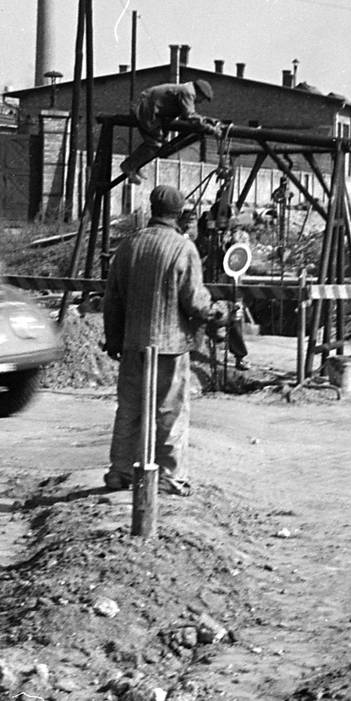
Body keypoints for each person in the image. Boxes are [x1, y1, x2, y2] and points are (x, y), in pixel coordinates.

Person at [102, 184, 226, 495]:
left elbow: (112, 300)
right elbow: (195, 302)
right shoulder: (184, 249)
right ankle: (169, 478)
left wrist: (115, 340)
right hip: (170, 347)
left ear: (152, 211)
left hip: (133, 344)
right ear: (179, 214)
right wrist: (216, 313)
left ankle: (119, 474)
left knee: (129, 410)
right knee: (170, 413)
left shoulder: (128, 246)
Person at [119, 79, 220, 182]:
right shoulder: (188, 92)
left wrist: (206, 120)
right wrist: (212, 129)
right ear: (199, 93)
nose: (200, 102)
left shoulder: (187, 89)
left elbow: (188, 114)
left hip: (152, 110)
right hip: (147, 109)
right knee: (155, 143)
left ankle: (135, 166)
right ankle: (129, 166)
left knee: (158, 143)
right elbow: (190, 116)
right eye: (202, 99)